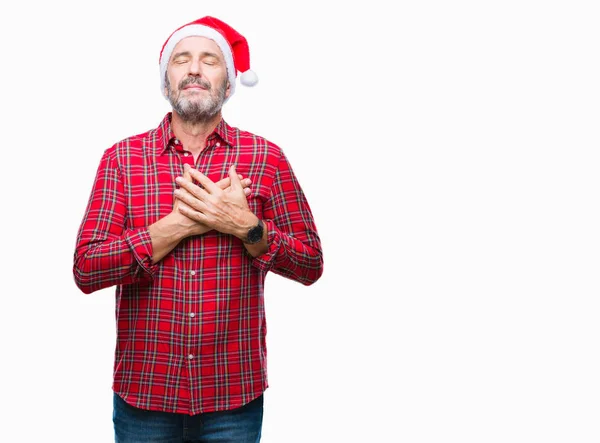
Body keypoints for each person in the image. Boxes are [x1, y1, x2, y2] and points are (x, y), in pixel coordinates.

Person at [73, 16, 323, 443]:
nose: (194, 69)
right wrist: (174, 226)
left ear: (229, 83)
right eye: (181, 60)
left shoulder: (266, 158)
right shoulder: (121, 158)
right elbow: (86, 269)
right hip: (144, 396)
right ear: (165, 80)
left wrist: (246, 227)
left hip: (234, 398)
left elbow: (310, 263)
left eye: (210, 60)